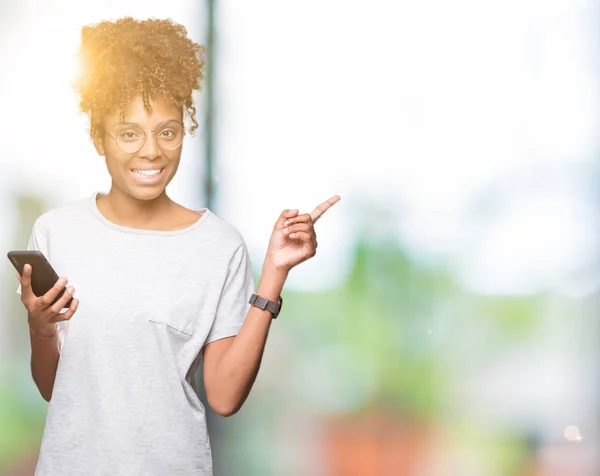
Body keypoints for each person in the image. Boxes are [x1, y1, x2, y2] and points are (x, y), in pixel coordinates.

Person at [15, 17, 340, 475]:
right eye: (129, 133)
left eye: (167, 131)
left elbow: (224, 396)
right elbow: (53, 388)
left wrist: (274, 273)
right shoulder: (56, 232)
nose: (151, 151)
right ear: (98, 138)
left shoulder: (218, 246)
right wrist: (40, 326)